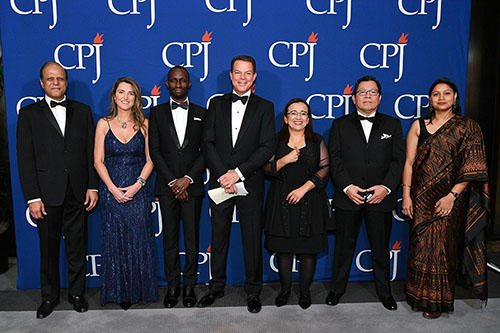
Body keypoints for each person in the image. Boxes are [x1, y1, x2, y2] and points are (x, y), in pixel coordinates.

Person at [16, 61, 98, 319]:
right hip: (46, 194)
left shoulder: (83, 111)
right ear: (42, 83)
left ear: (66, 82)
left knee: (77, 247)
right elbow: (25, 158)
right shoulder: (28, 114)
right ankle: (49, 297)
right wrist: (33, 197)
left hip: (77, 191)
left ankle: (77, 294)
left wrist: (92, 186)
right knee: (48, 249)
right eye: (50, 79)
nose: (55, 83)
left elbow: (90, 154)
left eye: (60, 79)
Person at [402, 78, 489, 319]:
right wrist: (406, 195)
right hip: (421, 198)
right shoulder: (419, 125)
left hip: (450, 199)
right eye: (436, 94)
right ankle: (418, 295)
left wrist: (452, 196)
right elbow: (409, 163)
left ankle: (437, 302)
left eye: (446, 93)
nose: (441, 98)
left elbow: (472, 168)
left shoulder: (467, 126)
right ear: (430, 99)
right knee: (421, 248)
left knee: (441, 249)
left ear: (455, 97)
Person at [199, 55, 275, 313]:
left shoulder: (265, 106)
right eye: (238, 73)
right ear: (230, 76)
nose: (242, 77)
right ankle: (215, 287)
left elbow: (267, 147)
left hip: (250, 182)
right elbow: (207, 142)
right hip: (221, 182)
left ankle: (253, 291)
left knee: (252, 238)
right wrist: (224, 175)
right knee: (217, 237)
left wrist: (238, 173)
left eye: (248, 73)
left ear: (254, 77)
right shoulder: (216, 104)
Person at [326, 75, 404, 310]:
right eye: (362, 92)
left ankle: (385, 292)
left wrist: (386, 188)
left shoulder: (393, 125)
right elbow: (335, 159)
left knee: (381, 248)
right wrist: (348, 187)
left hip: (381, 198)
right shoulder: (340, 125)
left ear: (379, 97)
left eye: (372, 92)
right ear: (354, 97)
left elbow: (399, 160)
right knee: (343, 247)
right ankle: (336, 290)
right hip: (348, 197)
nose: (367, 96)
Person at [94, 77, 157, 310]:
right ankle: (118, 292)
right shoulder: (103, 124)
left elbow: (151, 159)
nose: (125, 97)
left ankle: (138, 290)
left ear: (137, 98)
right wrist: (111, 188)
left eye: (131, 93)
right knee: (115, 240)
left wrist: (137, 185)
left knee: (138, 239)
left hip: (138, 191)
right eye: (121, 92)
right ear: (114, 96)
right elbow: (98, 161)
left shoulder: (145, 124)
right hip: (111, 191)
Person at [263, 98, 329, 309]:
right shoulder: (275, 141)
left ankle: (304, 292)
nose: (298, 117)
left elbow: (325, 168)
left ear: (308, 118)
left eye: (303, 113)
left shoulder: (317, 140)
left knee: (307, 250)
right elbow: (266, 169)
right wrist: (284, 160)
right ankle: (284, 290)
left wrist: (304, 188)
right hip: (281, 202)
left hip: (309, 200)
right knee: (284, 249)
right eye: (293, 113)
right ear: (285, 118)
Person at [149, 66, 205, 308]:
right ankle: (173, 286)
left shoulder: (203, 113)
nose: (178, 84)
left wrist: (188, 179)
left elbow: (206, 151)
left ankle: (190, 286)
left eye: (182, 80)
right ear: (167, 85)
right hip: (167, 186)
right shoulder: (157, 113)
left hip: (192, 187)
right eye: (174, 81)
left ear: (189, 83)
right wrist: (174, 181)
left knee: (192, 239)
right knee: (170, 239)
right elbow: (155, 151)